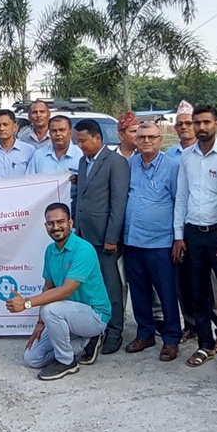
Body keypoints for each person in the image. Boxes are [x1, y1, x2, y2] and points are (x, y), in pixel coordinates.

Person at [7, 203, 109, 380]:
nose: (55, 227)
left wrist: (26, 303)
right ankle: (86, 343)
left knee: (51, 309)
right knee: (32, 358)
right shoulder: (50, 251)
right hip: (68, 315)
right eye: (50, 223)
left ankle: (67, 362)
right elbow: (48, 286)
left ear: (70, 223)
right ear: (45, 226)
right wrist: (40, 323)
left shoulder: (83, 250)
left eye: (60, 221)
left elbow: (66, 290)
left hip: (94, 316)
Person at [174, 105, 217, 371]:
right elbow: (182, 196)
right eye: (197, 123)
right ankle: (205, 344)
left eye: (206, 122)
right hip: (193, 233)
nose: (201, 127)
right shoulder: (187, 157)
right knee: (198, 292)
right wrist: (179, 235)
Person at [122, 122, 183, 361]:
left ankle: (171, 338)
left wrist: (178, 238)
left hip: (161, 243)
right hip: (133, 241)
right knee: (139, 293)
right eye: (142, 137)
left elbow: (180, 203)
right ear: (135, 140)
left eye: (152, 137)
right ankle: (145, 333)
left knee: (166, 293)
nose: (146, 141)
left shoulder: (172, 167)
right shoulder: (130, 165)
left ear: (160, 140)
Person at [72, 118, 131, 354]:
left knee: (111, 287)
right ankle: (96, 328)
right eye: (78, 141)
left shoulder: (116, 162)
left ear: (97, 138)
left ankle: (115, 332)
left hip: (105, 238)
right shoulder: (82, 162)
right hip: (84, 236)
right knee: (90, 286)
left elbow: (118, 202)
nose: (80, 145)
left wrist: (112, 237)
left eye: (83, 141)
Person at [165, 100, 199, 343]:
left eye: (188, 123)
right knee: (183, 280)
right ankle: (191, 324)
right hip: (178, 224)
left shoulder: (206, 151)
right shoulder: (170, 155)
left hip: (202, 222)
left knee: (209, 282)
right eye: (180, 124)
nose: (184, 127)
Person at [0, 109, 35, 178]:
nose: (2, 128)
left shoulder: (29, 150)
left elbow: (34, 177)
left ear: (14, 127)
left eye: (5, 125)